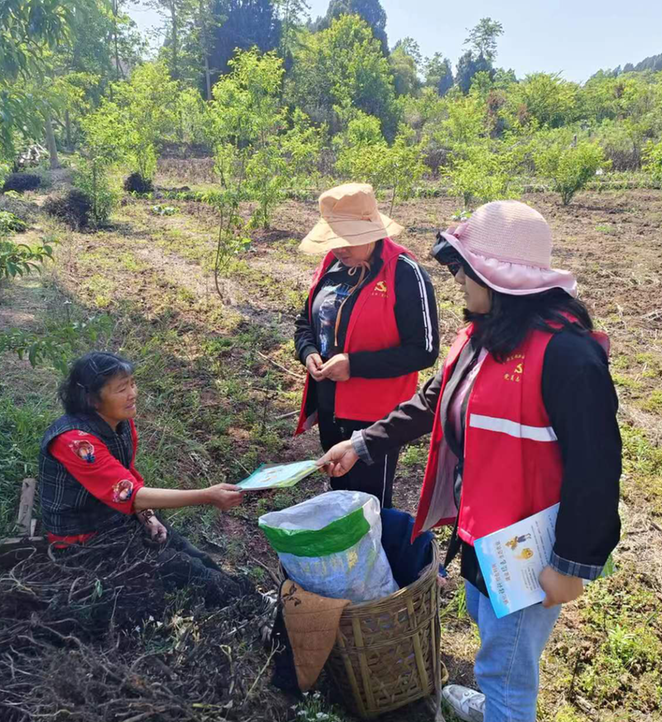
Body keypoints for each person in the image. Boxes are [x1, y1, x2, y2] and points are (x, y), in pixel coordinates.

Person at [318, 201, 621, 722]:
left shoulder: (568, 356)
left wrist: (571, 565)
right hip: (484, 531)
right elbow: (432, 403)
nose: (456, 280)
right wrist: (361, 442)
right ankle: (494, 699)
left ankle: (503, 712)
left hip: (530, 546)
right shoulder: (483, 337)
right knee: (487, 623)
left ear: (497, 276)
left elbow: (597, 470)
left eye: (463, 269)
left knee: (510, 667)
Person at [38, 351, 248, 604]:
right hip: (82, 541)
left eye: (133, 383)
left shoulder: (121, 423)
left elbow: (127, 479)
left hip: (116, 520)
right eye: (121, 389)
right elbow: (129, 493)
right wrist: (207, 496)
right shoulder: (76, 442)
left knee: (187, 550)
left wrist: (147, 516)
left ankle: (249, 598)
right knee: (180, 567)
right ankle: (249, 610)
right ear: (92, 399)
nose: (133, 394)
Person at [294, 183, 439, 508]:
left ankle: (377, 558)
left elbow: (425, 349)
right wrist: (309, 353)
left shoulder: (405, 273)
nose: (339, 247)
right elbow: (305, 323)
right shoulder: (332, 266)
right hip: (330, 406)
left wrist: (354, 365)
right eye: (334, 239)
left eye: (347, 238)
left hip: (374, 418)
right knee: (341, 498)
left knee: (370, 507)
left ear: (372, 230)